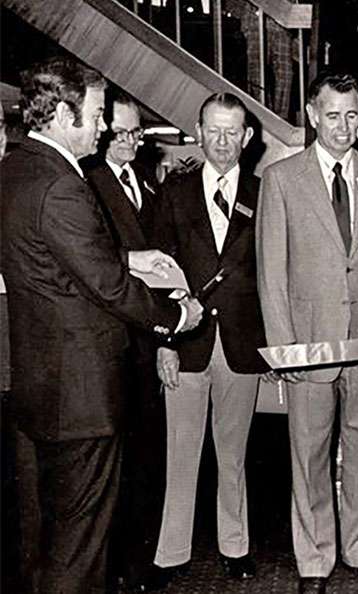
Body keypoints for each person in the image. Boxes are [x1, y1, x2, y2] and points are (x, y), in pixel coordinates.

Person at [0, 56, 203, 594]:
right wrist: (179, 315)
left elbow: (59, 253)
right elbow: (109, 291)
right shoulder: (64, 184)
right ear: (65, 114)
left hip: (41, 390)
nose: (105, 126)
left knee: (43, 542)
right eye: (96, 115)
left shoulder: (18, 168)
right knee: (80, 550)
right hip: (82, 399)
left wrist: (127, 257)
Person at [256, 72, 358, 594]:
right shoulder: (282, 179)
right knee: (310, 456)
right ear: (312, 113)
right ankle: (314, 560)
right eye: (334, 114)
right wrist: (285, 350)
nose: (344, 126)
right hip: (310, 345)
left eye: (352, 114)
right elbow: (270, 274)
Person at [148, 92, 268, 589]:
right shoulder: (174, 194)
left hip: (242, 344)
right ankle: (171, 552)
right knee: (180, 450)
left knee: (233, 453)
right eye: (213, 131)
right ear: (199, 131)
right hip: (186, 341)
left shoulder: (266, 194)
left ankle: (234, 545)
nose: (221, 142)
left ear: (247, 137)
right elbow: (155, 272)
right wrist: (163, 341)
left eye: (231, 132)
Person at [81, 88, 171, 591]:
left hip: (146, 342)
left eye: (138, 132)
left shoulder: (147, 183)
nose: (132, 141)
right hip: (110, 341)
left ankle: (137, 564)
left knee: (143, 459)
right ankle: (110, 568)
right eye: (121, 133)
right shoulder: (88, 184)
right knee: (110, 466)